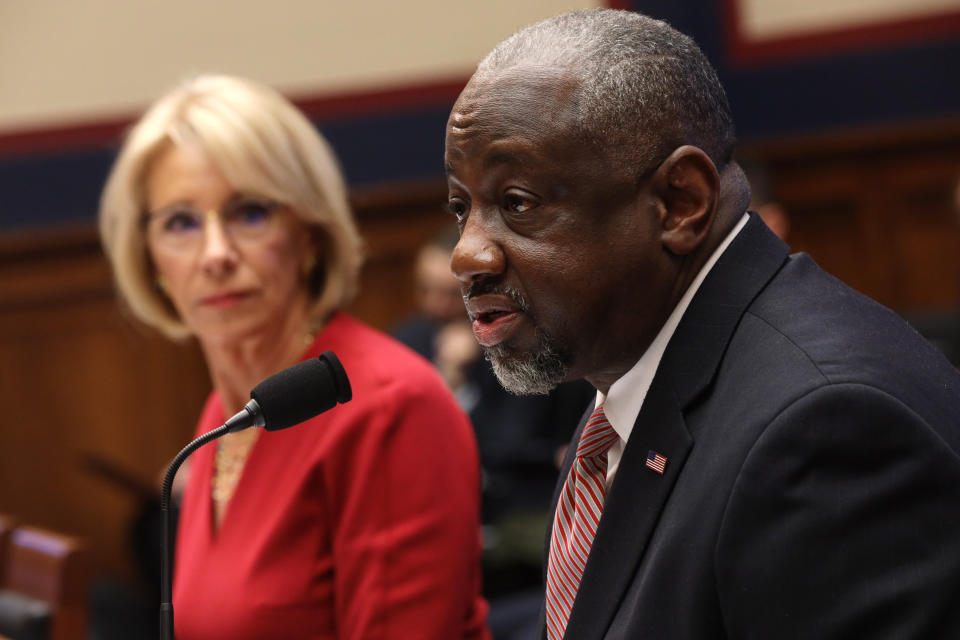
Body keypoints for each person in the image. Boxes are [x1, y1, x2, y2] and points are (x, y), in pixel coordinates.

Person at [444, 9, 960, 640]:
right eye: (461, 207)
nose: (467, 255)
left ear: (680, 203)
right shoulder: (636, 377)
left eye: (516, 203)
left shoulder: (824, 428)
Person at [98, 74, 489, 640]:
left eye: (249, 212)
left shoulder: (390, 407)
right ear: (150, 258)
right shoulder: (224, 415)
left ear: (308, 230)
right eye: (180, 222)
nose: (215, 254)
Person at [394, 232, 593, 607]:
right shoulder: (409, 341)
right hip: (435, 509)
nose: (436, 305)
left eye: (449, 295)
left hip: (521, 507)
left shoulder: (518, 340)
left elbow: (508, 445)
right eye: (426, 291)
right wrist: (447, 379)